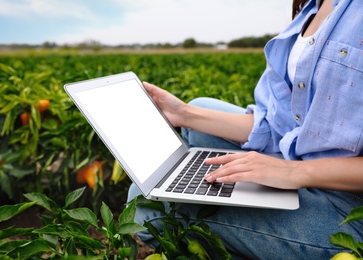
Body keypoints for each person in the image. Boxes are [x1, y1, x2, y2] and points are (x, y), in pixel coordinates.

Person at [127, 0, 363, 258]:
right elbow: (280, 126)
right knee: (199, 114)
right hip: (302, 165)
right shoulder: (312, 8)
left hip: (348, 208)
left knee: (145, 204)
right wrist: (183, 114)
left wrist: (294, 171)